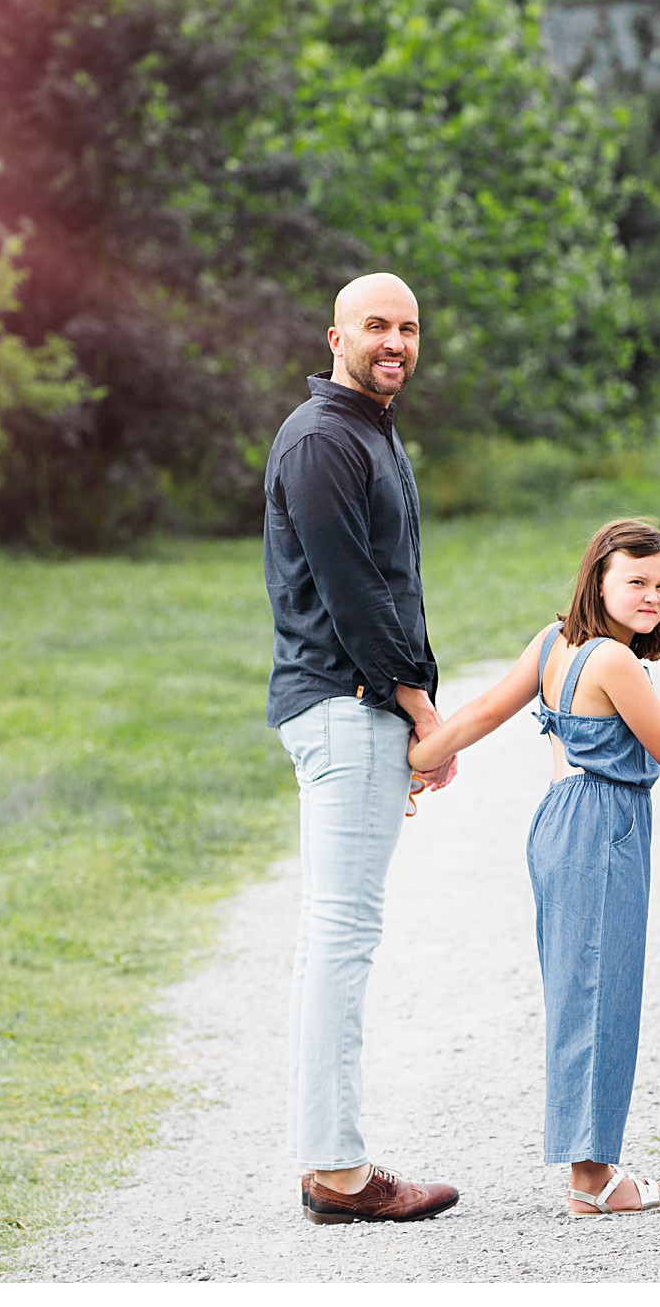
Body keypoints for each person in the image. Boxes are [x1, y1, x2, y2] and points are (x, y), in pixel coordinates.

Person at [407, 518, 660, 1216]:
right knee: (601, 996)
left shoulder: (554, 643)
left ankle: (591, 1166)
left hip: (557, 822)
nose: (652, 595)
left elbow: (483, 710)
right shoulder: (612, 662)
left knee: (582, 993)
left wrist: (422, 760)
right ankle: (594, 1179)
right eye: (635, 580)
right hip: (601, 824)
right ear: (597, 580)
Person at [263, 272, 460, 1225]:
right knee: (339, 939)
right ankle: (336, 1172)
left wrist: (414, 711)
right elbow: (352, 595)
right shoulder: (322, 440)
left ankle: (330, 1164)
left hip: (364, 706)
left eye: (409, 327)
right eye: (376, 325)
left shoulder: (370, 430)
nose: (395, 341)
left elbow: (395, 581)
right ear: (334, 334)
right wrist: (424, 715)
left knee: (339, 937)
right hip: (344, 705)